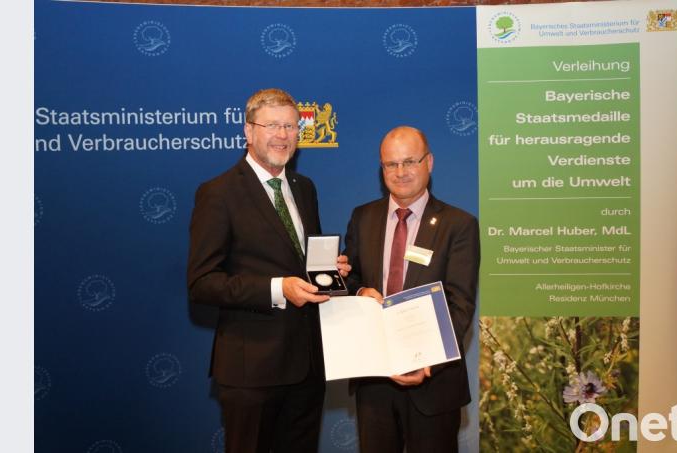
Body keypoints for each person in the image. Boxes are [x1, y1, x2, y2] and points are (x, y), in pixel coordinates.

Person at [187, 88, 350, 453]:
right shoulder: (218, 193)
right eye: (272, 125)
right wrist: (279, 289)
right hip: (252, 371)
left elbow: (298, 262)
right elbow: (202, 283)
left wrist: (327, 269)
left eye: (291, 126)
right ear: (248, 131)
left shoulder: (304, 188)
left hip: (307, 367)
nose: (283, 135)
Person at [343, 126, 480, 453]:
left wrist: (425, 361)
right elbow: (350, 280)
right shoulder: (363, 217)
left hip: (432, 384)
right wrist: (360, 291)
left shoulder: (458, 225)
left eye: (410, 162)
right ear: (382, 169)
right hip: (374, 379)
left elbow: (459, 304)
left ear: (429, 162)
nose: (400, 172)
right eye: (391, 164)